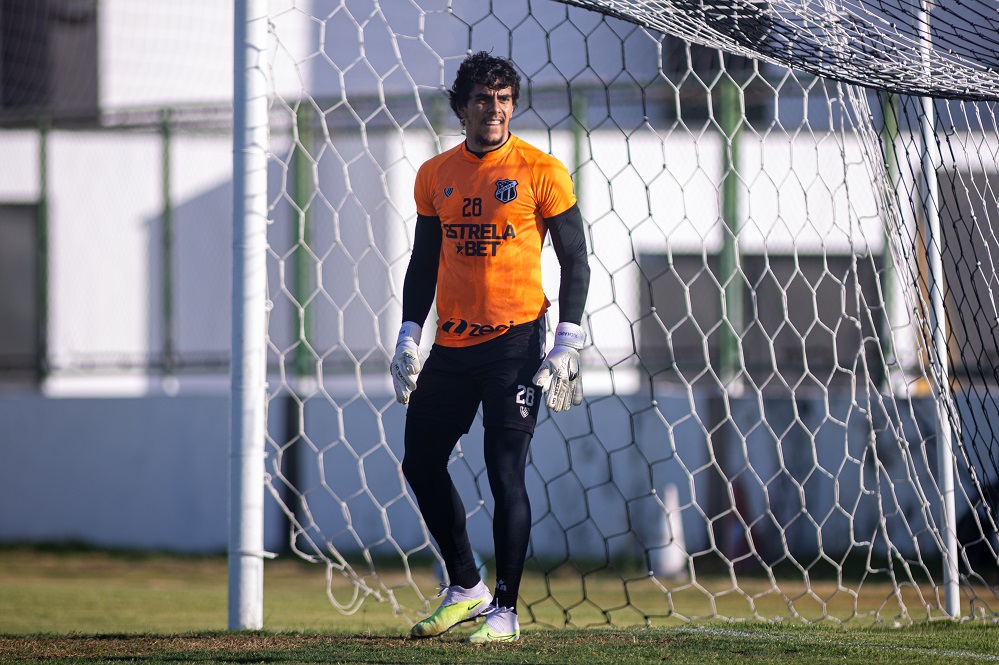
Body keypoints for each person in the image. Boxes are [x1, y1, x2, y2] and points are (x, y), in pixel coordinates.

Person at [390, 51, 590, 644]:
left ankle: (505, 609)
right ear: (461, 108)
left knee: (505, 472)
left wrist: (567, 343)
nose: (494, 109)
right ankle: (465, 586)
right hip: (452, 345)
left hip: (517, 344)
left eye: (503, 98)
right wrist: (408, 334)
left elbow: (576, 259)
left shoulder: (541, 169)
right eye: (482, 99)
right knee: (420, 461)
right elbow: (425, 260)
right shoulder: (435, 175)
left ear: (513, 105)